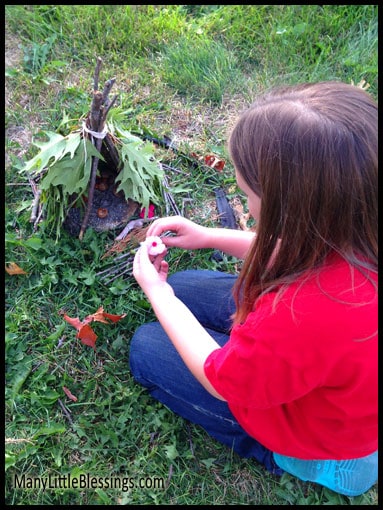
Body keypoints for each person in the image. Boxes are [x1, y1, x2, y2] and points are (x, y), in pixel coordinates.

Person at [130, 81, 378, 497]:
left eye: (248, 195)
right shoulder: (359, 233)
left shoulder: (301, 315)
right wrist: (210, 236)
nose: (246, 208)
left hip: (329, 446)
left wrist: (159, 293)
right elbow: (295, 252)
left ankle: (273, 452)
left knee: (149, 347)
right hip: (343, 395)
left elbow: (221, 380)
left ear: (293, 208)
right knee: (189, 286)